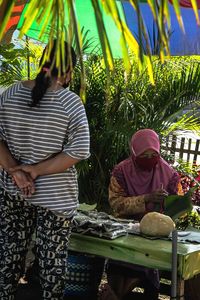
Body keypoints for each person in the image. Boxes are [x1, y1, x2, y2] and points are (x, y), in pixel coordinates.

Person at [0, 40, 90, 300]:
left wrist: (16, 173)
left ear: (43, 62)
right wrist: (36, 171)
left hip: (13, 191)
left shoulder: (10, 94)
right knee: (52, 265)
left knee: (8, 258)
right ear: (68, 70)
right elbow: (79, 150)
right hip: (56, 198)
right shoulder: (70, 103)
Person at [104, 129, 183, 300]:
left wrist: (167, 203)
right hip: (123, 232)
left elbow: (180, 208)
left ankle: (115, 295)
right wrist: (145, 199)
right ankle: (115, 294)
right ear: (133, 153)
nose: (148, 160)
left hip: (154, 235)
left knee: (146, 263)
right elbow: (116, 204)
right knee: (118, 263)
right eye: (143, 156)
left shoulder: (169, 174)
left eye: (152, 155)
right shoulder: (121, 171)